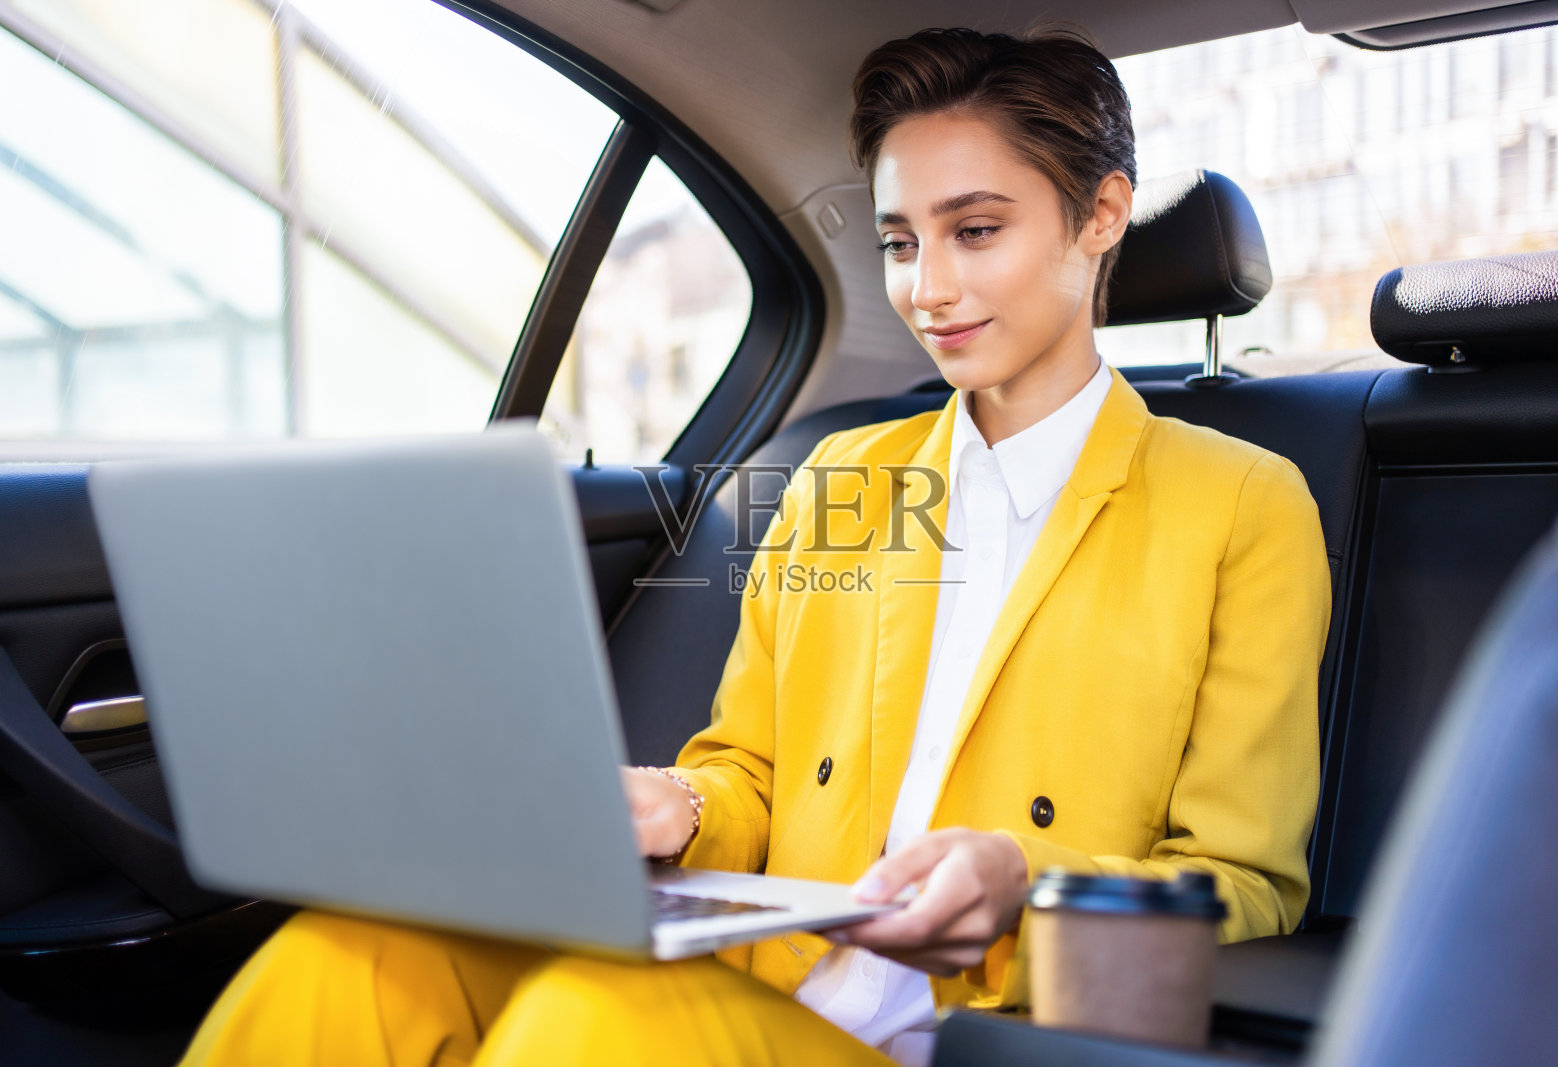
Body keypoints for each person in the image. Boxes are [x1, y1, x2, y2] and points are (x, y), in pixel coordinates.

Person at [180, 26, 1329, 1067]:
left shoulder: (1239, 503)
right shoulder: (840, 479)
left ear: (1100, 214)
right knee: (348, 953)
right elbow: (753, 773)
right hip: (763, 965)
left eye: (975, 231)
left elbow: (1245, 880)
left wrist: (1021, 884)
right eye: (897, 240)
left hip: (971, 1031)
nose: (926, 289)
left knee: (595, 1016)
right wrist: (674, 803)